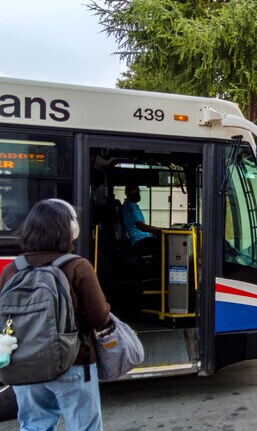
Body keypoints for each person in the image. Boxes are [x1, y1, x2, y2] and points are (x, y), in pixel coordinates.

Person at [0, 199, 111, 431]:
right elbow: (99, 317)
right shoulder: (78, 267)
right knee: (84, 425)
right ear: (68, 230)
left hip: (23, 362)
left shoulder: (13, 269)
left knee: (34, 425)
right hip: (74, 361)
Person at [121, 184, 163, 250]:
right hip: (138, 242)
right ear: (128, 193)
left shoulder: (134, 206)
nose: (137, 193)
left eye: (138, 191)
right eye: (134, 191)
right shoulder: (129, 208)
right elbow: (142, 227)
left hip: (143, 238)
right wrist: (162, 230)